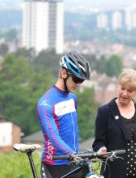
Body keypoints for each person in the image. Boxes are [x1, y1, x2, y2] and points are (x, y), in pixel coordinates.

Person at [92, 69, 136, 178]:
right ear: (118, 86)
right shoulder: (104, 112)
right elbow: (98, 143)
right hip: (113, 174)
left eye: (129, 90)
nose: (124, 93)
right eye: (122, 88)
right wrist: (101, 150)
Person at [36, 50, 91, 178]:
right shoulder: (46, 103)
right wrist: (73, 154)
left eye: (81, 80)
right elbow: (53, 137)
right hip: (54, 165)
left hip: (74, 161)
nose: (78, 84)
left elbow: (72, 131)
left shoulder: (73, 98)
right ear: (63, 73)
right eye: (76, 79)